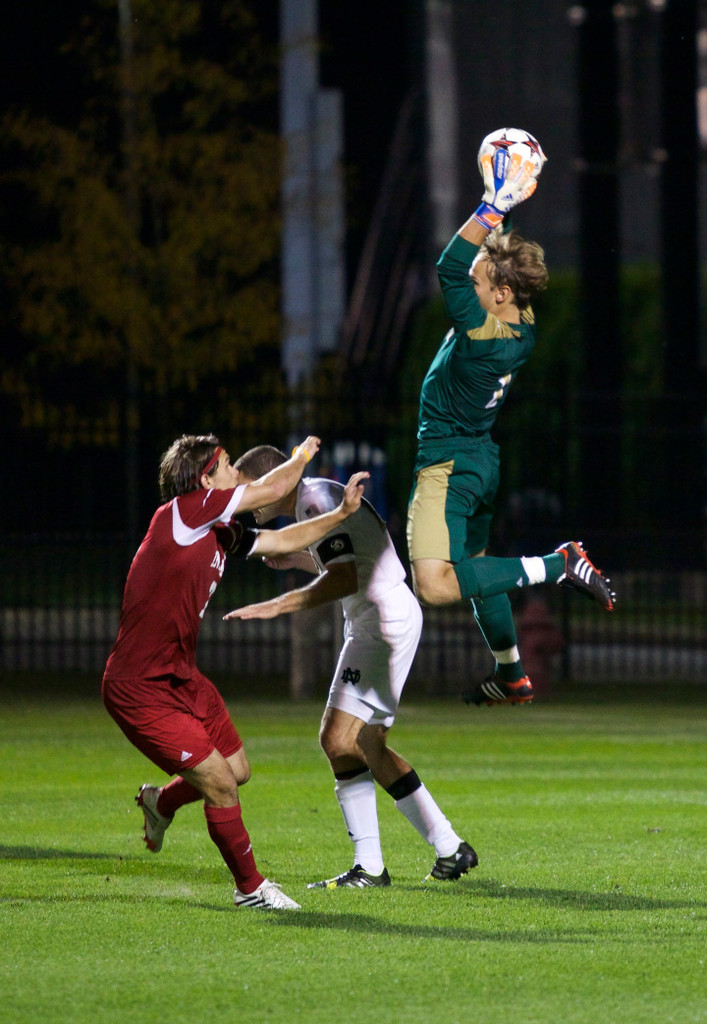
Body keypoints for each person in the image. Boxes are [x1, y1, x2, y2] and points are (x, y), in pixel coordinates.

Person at [102, 432, 368, 911]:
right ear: (205, 478)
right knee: (220, 782)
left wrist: (342, 515)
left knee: (237, 770)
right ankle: (251, 888)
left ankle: (160, 803)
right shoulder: (183, 512)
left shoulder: (219, 529)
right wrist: (303, 454)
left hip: (182, 677)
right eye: (226, 466)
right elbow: (269, 489)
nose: (235, 475)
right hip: (139, 688)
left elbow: (285, 538)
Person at [406, 130, 615, 708]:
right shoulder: (518, 321)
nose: (468, 292)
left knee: (434, 584)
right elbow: (478, 269)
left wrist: (492, 205)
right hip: (479, 461)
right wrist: (502, 212)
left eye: (480, 287)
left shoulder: (482, 333)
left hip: (448, 463)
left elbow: (451, 266)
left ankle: (558, 563)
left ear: (498, 294)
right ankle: (511, 671)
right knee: (476, 568)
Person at [223, 445, 477, 888]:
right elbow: (355, 554)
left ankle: (370, 867)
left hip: (380, 621)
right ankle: (450, 847)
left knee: (336, 738)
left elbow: (344, 577)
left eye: (250, 490)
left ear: (271, 482)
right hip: (385, 613)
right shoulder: (316, 498)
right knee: (367, 746)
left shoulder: (313, 501)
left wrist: (281, 604)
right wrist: (300, 558)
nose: (246, 502)